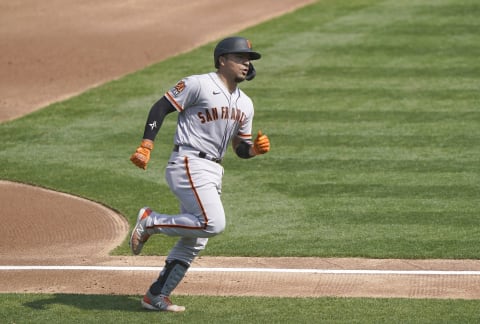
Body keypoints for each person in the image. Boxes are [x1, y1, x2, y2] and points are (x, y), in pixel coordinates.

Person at [129, 36, 270, 312]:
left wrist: (254, 150)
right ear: (222, 60)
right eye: (241, 57)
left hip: (214, 169)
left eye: (249, 59)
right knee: (213, 223)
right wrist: (147, 143)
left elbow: (239, 147)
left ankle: (156, 295)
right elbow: (161, 107)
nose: (246, 63)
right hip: (188, 161)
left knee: (196, 238)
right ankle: (150, 222)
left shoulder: (245, 104)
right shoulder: (198, 84)